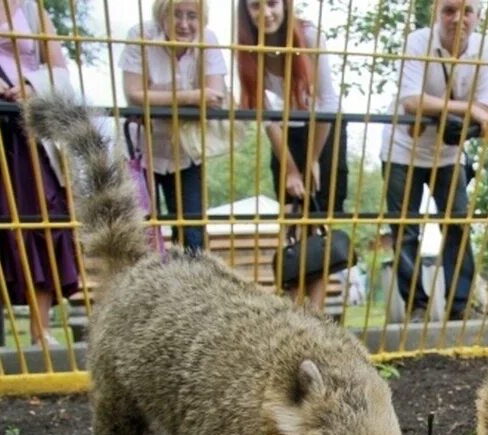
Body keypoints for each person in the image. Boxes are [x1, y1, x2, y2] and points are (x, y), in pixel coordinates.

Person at [380, 0, 488, 322]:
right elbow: (410, 100)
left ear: (478, 15)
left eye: (467, 11)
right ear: (436, 12)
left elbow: (485, 110)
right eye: (449, 10)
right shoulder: (418, 42)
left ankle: (459, 306)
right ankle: (417, 306)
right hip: (401, 149)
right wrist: (467, 109)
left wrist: (445, 109)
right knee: (405, 229)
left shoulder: (486, 50)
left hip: (449, 155)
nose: (457, 19)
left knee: (458, 226)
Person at [0, 0, 80, 347]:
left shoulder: (32, 9)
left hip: (23, 129)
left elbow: (59, 69)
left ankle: (42, 331)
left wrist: (32, 84)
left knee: (38, 219)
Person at [237, 0, 346, 311]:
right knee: (292, 219)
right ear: (246, 12)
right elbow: (265, 115)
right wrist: (290, 169)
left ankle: (315, 314)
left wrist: (311, 160)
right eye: (255, 6)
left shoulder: (310, 36)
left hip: (325, 133)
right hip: (285, 135)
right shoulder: (246, 47)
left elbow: (327, 104)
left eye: (272, 3)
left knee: (318, 221)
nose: (265, 13)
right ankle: (295, 313)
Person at [120, 0, 228, 255]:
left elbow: (215, 98)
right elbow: (134, 94)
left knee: (192, 233)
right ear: (161, 15)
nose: (184, 24)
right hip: (142, 150)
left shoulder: (208, 40)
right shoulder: (140, 35)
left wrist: (158, 101)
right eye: (175, 14)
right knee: (141, 231)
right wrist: (192, 97)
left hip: (186, 152)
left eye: (192, 16)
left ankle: (190, 292)